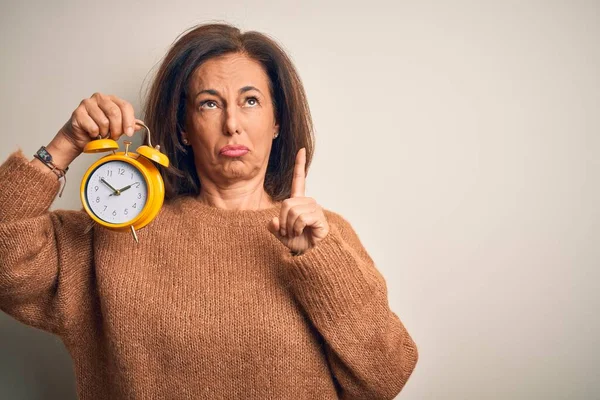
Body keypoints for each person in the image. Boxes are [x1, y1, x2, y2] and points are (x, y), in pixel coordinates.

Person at [0, 23, 418, 399]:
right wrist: (65, 143)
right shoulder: (115, 233)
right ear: (183, 128)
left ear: (277, 122)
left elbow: (385, 377)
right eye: (210, 104)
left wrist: (319, 262)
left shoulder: (325, 235)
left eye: (251, 101)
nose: (233, 123)